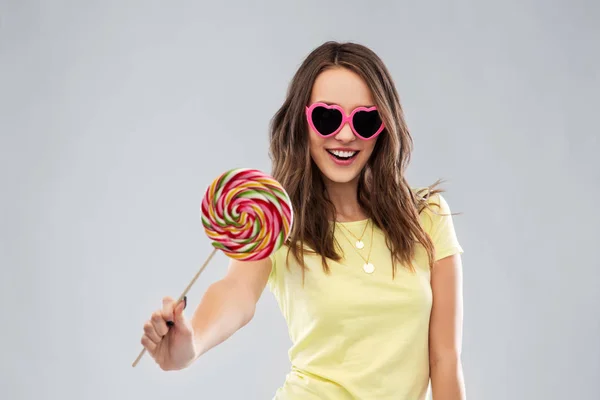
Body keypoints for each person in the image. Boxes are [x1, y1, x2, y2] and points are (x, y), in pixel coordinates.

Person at [140, 41, 466, 400]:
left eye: (364, 119)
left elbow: (445, 359)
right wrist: (193, 342)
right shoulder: (277, 220)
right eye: (327, 118)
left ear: (383, 127)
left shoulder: (427, 217)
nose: (345, 135)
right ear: (302, 121)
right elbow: (236, 291)